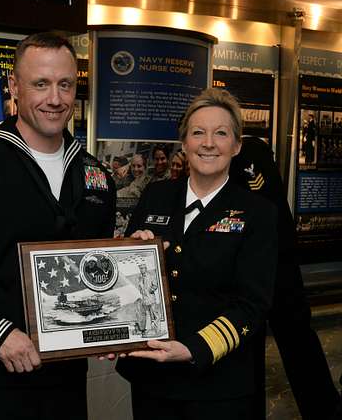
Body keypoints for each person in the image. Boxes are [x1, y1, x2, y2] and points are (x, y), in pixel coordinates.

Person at [0, 32, 116, 420]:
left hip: (67, 380)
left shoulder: (96, 175)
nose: (55, 99)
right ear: (14, 86)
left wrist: (112, 319)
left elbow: (97, 264)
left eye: (65, 84)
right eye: (41, 84)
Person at [117, 88, 278, 420]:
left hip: (218, 384)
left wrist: (194, 349)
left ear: (236, 146)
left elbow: (253, 305)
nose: (208, 143)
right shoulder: (156, 195)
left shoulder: (257, 212)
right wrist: (132, 256)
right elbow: (128, 282)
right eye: (198, 132)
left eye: (221, 133)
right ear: (185, 144)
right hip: (152, 378)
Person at [230, 135, 341, 420]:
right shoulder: (252, 148)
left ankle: (324, 409)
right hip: (275, 262)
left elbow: (262, 203)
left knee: (292, 342)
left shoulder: (250, 150)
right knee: (281, 344)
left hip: (274, 263)